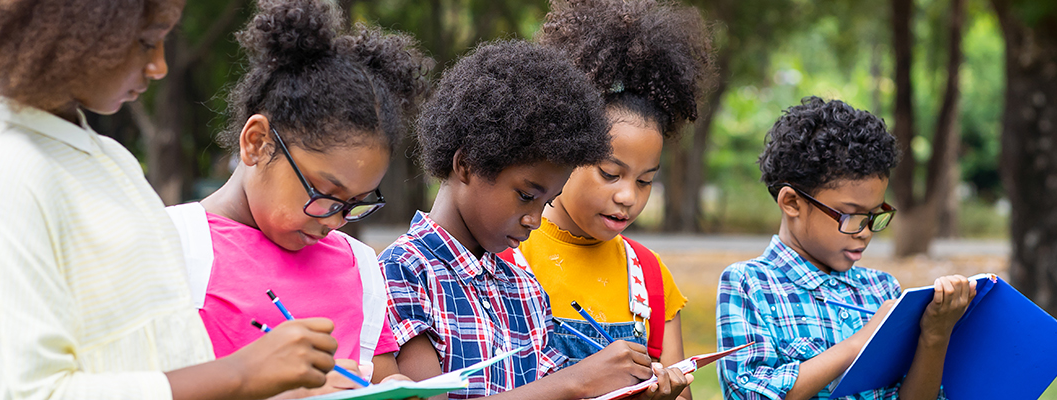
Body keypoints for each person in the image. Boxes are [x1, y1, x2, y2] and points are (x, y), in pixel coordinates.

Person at [0, 1, 340, 398]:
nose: (159, 67)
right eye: (146, 42)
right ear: (70, 28)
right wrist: (241, 373)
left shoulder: (106, 158)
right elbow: (28, 392)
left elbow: (150, 349)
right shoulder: (5, 170)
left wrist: (287, 386)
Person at [380, 39, 684, 400]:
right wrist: (577, 381)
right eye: (526, 196)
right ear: (466, 165)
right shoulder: (404, 272)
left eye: (548, 202)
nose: (536, 220)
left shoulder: (523, 287)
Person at [164, 0, 430, 393]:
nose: (335, 220)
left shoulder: (359, 267)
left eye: (355, 203)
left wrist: (393, 385)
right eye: (324, 193)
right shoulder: (172, 243)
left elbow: (376, 374)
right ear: (257, 143)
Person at [512, 1, 712, 398]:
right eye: (610, 173)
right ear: (564, 153)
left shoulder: (651, 278)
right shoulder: (510, 255)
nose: (627, 197)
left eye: (645, 181)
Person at [715, 97, 976, 400]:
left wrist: (935, 335)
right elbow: (750, 394)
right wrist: (860, 343)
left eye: (874, 215)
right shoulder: (749, 284)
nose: (865, 232)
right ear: (792, 203)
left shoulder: (882, 289)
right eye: (851, 215)